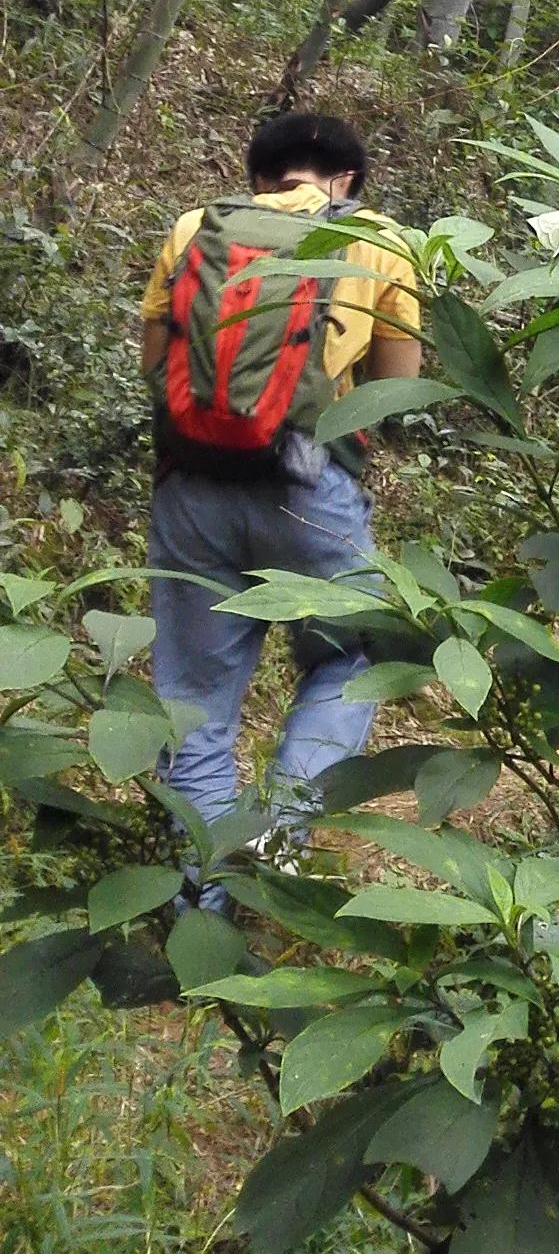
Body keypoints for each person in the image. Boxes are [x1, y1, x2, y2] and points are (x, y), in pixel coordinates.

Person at [140, 108, 421, 850]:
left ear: (259, 178)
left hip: (191, 487)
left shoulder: (194, 226)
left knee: (194, 702)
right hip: (310, 491)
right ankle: (279, 842)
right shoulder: (379, 241)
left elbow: (153, 366)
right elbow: (395, 390)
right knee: (354, 658)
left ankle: (203, 894)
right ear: (346, 180)